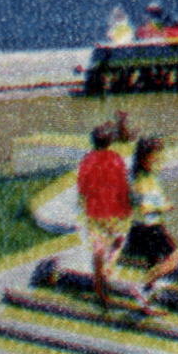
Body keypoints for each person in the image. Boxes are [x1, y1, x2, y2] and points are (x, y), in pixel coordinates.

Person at [73, 121, 141, 310]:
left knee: (98, 249)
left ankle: (100, 291)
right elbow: (123, 186)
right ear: (110, 141)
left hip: (94, 212)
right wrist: (129, 207)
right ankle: (109, 267)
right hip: (115, 211)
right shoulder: (115, 158)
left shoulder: (87, 160)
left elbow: (82, 188)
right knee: (119, 240)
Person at [121, 132, 178, 293]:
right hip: (150, 227)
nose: (159, 159)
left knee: (152, 262)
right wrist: (164, 207)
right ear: (145, 157)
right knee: (173, 260)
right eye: (156, 156)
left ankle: (146, 296)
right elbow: (145, 207)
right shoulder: (141, 179)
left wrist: (162, 202)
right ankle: (141, 286)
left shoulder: (145, 175)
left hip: (146, 226)